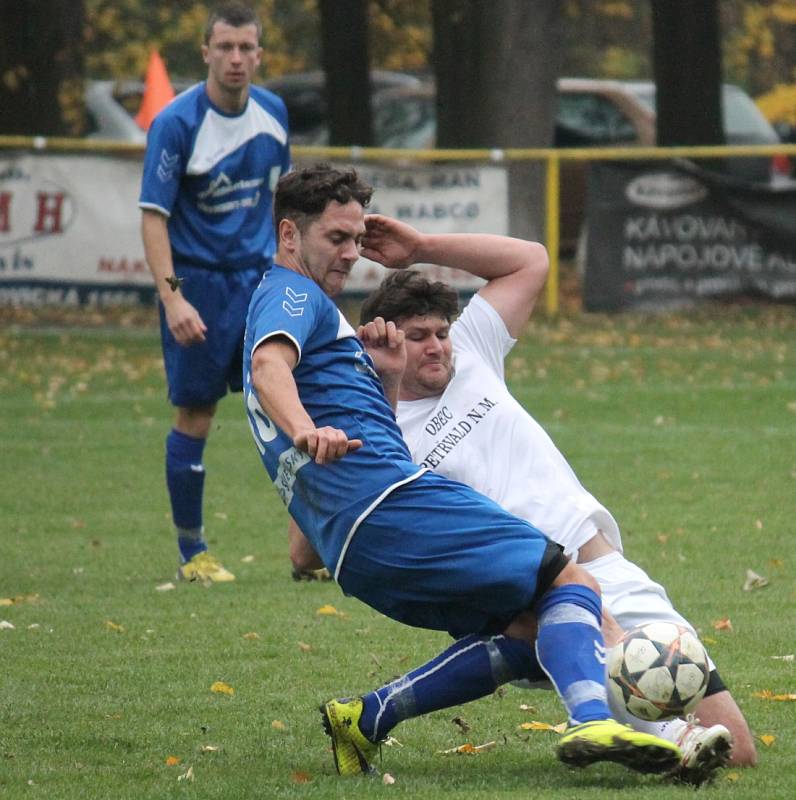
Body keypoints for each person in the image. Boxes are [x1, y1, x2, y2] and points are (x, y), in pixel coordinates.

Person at [243, 163, 683, 780]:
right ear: (289, 235)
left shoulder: (312, 317)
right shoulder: (293, 296)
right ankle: (591, 719)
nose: (350, 253)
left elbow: (303, 550)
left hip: (356, 552)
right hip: (394, 506)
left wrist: (386, 383)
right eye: (335, 239)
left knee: (533, 633)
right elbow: (270, 370)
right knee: (571, 580)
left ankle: (365, 717)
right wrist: (303, 428)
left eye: (355, 238)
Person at [345, 215, 757, 783]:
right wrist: (383, 385)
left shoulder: (474, 350)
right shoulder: (380, 425)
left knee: (738, 751)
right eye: (418, 338)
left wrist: (420, 247)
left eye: (441, 331)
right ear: (385, 340)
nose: (438, 346)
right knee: (674, 736)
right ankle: (647, 728)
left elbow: (531, 260)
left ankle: (383, 708)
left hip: (608, 567)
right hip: (526, 590)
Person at [139, 2, 290, 582]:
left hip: (259, 283)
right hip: (197, 284)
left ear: (258, 53)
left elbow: (282, 202)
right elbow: (155, 218)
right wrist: (173, 297)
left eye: (245, 48)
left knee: (299, 401)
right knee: (197, 413)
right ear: (205, 51)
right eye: (224, 47)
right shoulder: (176, 124)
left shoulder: (273, 113)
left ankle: (314, 550)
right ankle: (191, 553)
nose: (235, 58)